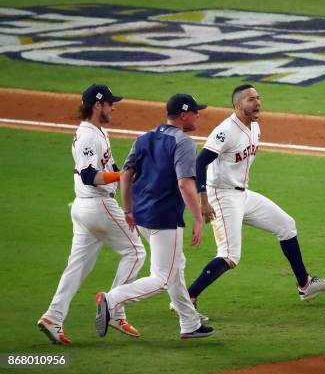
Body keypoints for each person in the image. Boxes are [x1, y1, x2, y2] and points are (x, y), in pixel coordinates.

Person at [175, 84, 325, 317]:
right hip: (221, 195)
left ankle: (305, 284)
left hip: (243, 194)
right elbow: (200, 163)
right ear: (237, 105)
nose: (258, 102)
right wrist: (203, 200)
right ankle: (187, 299)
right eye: (251, 99)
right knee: (230, 256)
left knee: (286, 225)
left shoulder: (254, 127)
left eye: (258, 98)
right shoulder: (226, 131)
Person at [94, 94, 214, 339]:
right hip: (164, 218)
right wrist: (198, 218)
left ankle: (189, 323)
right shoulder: (184, 143)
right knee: (162, 277)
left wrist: (128, 210)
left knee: (175, 268)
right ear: (183, 114)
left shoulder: (143, 138)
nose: (198, 115)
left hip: (142, 215)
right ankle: (111, 299)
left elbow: (126, 175)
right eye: (195, 111)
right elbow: (184, 184)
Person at [38, 84, 146, 344]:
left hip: (84, 209)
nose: (113, 107)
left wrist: (131, 175)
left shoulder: (98, 132)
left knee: (77, 267)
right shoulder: (89, 136)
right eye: (110, 103)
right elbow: (90, 176)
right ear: (98, 105)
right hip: (97, 205)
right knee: (135, 252)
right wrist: (122, 176)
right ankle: (114, 307)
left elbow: (112, 166)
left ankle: (53, 317)